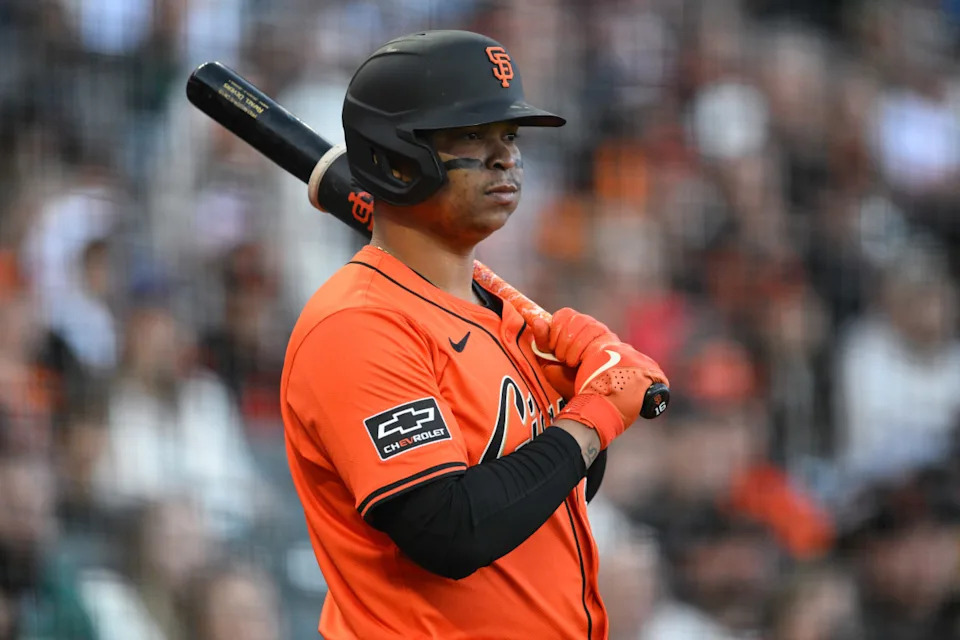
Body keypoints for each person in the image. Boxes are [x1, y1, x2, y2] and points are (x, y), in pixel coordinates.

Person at [280, 30, 668, 639]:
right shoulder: (357, 324)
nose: (505, 156)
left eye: (509, 136)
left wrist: (578, 389)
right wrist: (592, 417)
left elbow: (548, 496)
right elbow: (447, 531)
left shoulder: (494, 315)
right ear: (394, 154)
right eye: (471, 136)